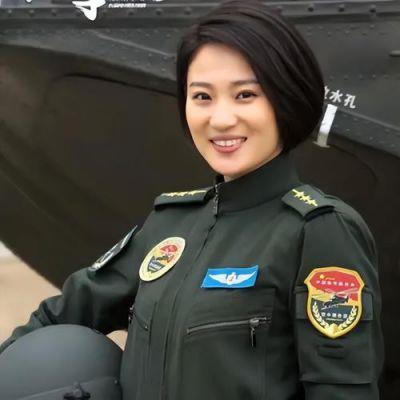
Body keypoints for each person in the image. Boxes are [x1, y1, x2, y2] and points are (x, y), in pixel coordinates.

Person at [0, 1, 383, 399]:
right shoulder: (170, 224)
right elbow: (61, 315)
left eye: (245, 94)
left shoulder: (319, 231)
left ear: (286, 99)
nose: (220, 119)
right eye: (202, 96)